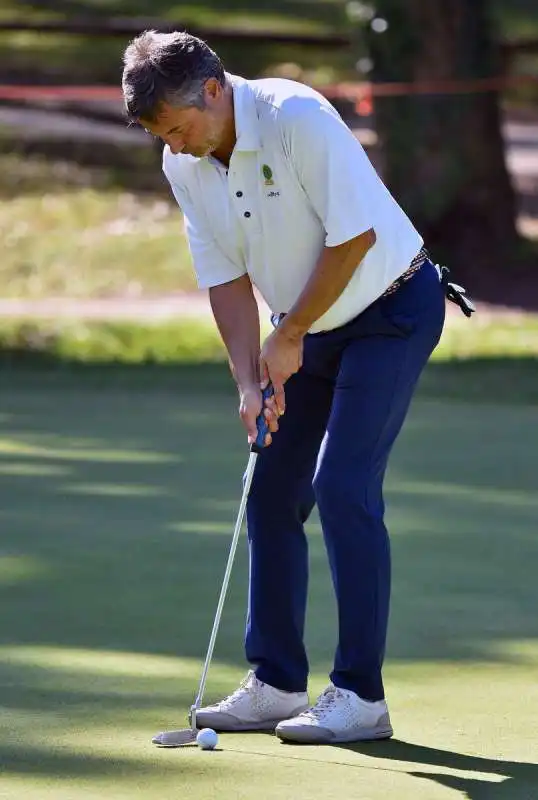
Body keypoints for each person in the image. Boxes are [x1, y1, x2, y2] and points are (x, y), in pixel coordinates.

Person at [121, 30, 474, 745]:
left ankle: (360, 696)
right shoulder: (182, 163)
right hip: (306, 325)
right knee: (273, 489)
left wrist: (288, 338)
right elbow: (223, 275)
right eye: (164, 136)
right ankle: (278, 681)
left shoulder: (296, 118)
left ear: (214, 90)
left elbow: (354, 241)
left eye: (181, 128)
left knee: (342, 485)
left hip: (392, 310)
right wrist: (249, 377)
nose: (177, 146)